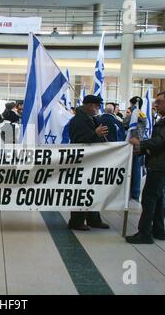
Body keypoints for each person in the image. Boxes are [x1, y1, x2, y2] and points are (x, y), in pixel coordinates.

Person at [126, 91, 165, 244]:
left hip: (162, 164)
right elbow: (158, 141)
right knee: (157, 199)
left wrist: (140, 144)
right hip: (158, 163)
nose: (155, 104)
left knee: (148, 198)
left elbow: (164, 140)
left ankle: (144, 233)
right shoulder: (164, 119)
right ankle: (158, 231)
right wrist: (142, 149)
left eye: (159, 102)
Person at [67, 95, 110, 231]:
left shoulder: (92, 119)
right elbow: (79, 141)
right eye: (97, 106)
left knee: (92, 191)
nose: (98, 109)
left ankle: (93, 219)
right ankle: (76, 221)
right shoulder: (78, 121)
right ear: (89, 106)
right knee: (82, 192)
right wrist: (95, 133)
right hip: (83, 162)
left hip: (93, 160)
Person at [123, 96, 147, 202]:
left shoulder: (135, 114)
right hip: (140, 144)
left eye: (131, 104)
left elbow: (125, 123)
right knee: (136, 169)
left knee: (133, 169)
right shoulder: (142, 114)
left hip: (133, 144)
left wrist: (127, 116)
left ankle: (133, 191)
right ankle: (135, 192)